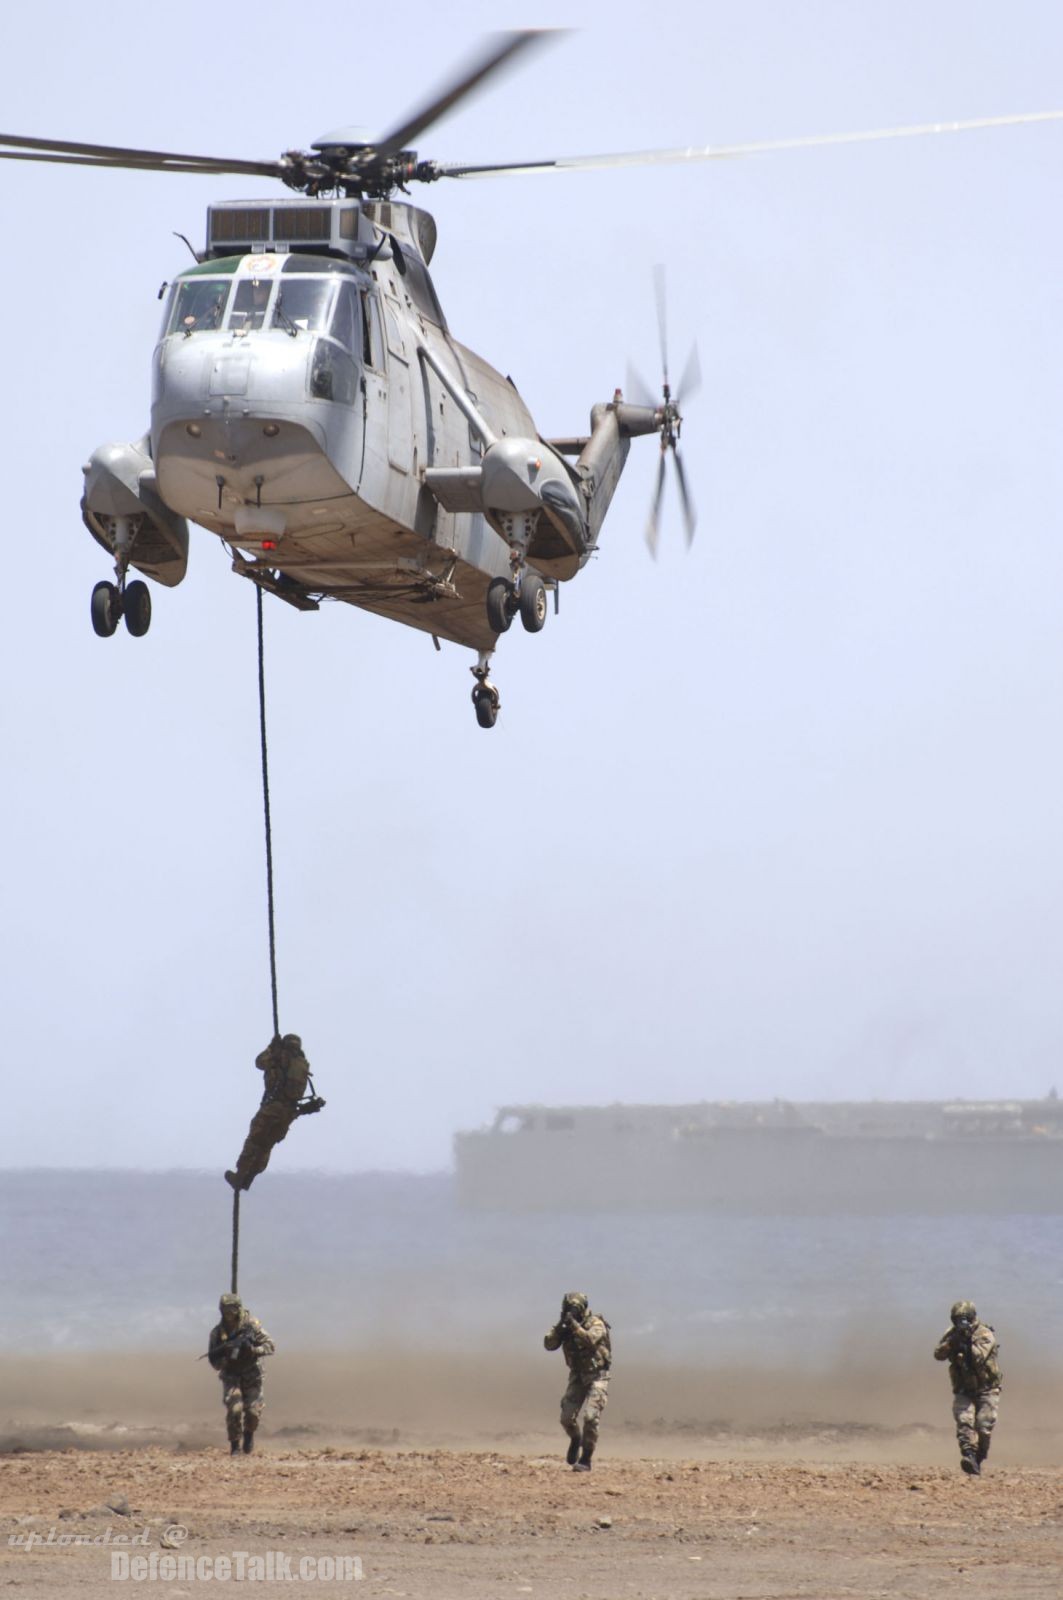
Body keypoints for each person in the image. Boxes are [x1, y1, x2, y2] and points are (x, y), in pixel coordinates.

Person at [225, 1033, 324, 1191]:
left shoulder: (280, 1056)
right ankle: (249, 1177)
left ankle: (240, 1175)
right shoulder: (303, 1064)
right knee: (266, 1145)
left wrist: (271, 1048)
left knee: (255, 1140)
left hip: (273, 1107)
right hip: (289, 1113)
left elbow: (259, 1062)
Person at [544, 1291, 612, 1471]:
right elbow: (549, 1345)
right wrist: (561, 1327)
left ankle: (586, 1459)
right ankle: (575, 1438)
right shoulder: (565, 1327)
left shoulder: (596, 1324)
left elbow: (591, 1340)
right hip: (577, 1376)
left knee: (591, 1417)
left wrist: (575, 1326)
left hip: (597, 1376)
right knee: (566, 1418)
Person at [933, 1299, 1003, 1475]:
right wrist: (953, 1341)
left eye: (964, 1319)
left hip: (987, 1389)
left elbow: (978, 1358)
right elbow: (938, 1355)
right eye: (957, 1319)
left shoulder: (985, 1334)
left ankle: (979, 1457)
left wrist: (966, 1341)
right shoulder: (952, 1334)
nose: (961, 1323)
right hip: (964, 1389)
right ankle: (968, 1455)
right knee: (964, 1421)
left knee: (984, 1427)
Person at [207, 1293, 275, 1454]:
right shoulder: (217, 1333)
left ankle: (249, 1434)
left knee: (252, 1412)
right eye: (225, 1310)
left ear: (238, 1309)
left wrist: (253, 1350)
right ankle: (235, 1445)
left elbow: (270, 1345)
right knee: (235, 1409)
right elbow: (213, 1360)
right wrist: (227, 1358)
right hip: (231, 1376)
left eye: (232, 1309)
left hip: (252, 1374)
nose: (228, 1313)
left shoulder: (251, 1326)